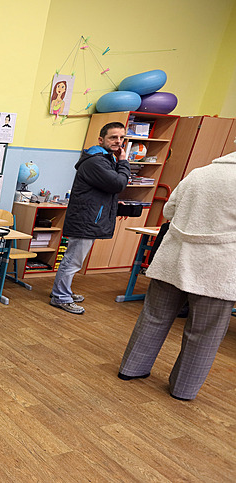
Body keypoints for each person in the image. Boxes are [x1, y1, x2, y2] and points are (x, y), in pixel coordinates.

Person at [118, 151, 236, 400]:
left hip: (174, 257)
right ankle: (183, 389)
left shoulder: (199, 174)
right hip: (218, 268)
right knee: (204, 332)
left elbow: (170, 211)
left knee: (153, 317)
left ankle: (132, 368)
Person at [50, 121, 130, 314]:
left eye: (121, 138)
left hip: (90, 216)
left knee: (75, 258)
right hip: (86, 219)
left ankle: (63, 290)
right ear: (101, 139)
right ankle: (61, 296)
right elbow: (118, 184)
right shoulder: (96, 161)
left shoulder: (105, 158)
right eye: (113, 137)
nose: (118, 142)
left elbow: (102, 189)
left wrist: (113, 203)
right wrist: (124, 162)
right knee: (73, 260)